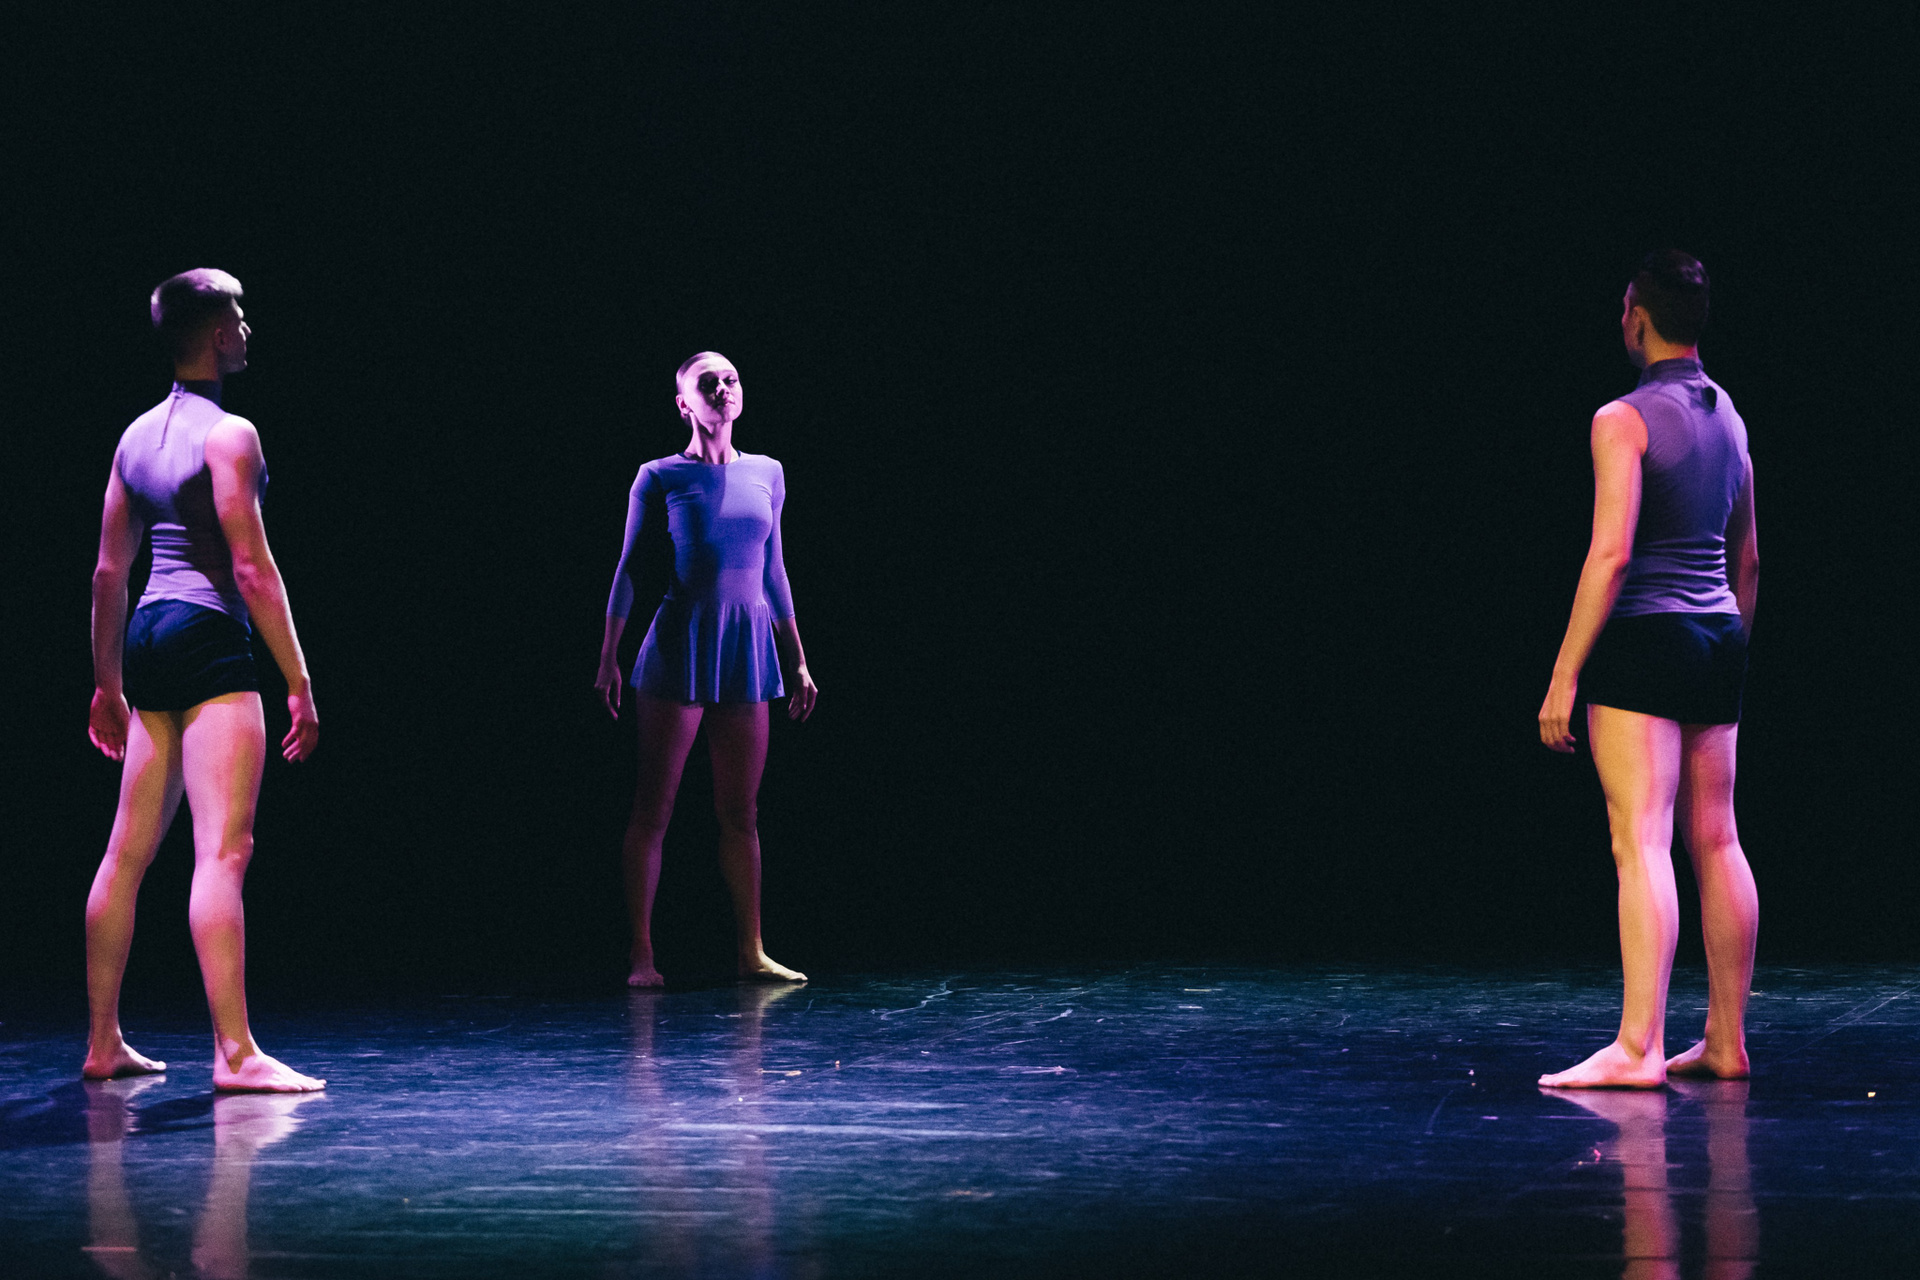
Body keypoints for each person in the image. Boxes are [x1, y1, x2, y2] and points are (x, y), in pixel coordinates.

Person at [83, 269, 324, 1092]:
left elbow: (109, 573)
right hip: (209, 635)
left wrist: (108, 683)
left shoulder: (135, 437)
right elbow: (251, 567)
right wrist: (298, 679)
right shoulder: (231, 435)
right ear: (218, 335)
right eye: (239, 317)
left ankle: (103, 1043)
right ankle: (236, 1054)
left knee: (126, 852)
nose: (248, 329)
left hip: (148, 635)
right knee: (222, 851)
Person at [1537, 251, 1760, 1088]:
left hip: (1646, 637)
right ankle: (1727, 1041)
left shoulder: (1622, 419)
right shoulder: (1730, 418)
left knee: (1642, 840)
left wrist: (1565, 675)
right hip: (1717, 634)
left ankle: (1638, 1048)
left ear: (1637, 319)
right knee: (1718, 837)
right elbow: (1749, 560)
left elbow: (1612, 553)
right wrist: (1727, 649)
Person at [596, 351, 818, 987]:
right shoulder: (659, 476)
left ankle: (752, 951)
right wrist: (609, 656)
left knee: (741, 813)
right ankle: (642, 956)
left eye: (731, 379)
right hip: (680, 647)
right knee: (654, 809)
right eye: (708, 382)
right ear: (684, 404)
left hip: (748, 651)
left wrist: (799, 661)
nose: (723, 388)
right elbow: (629, 567)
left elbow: (775, 571)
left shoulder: (768, 472)